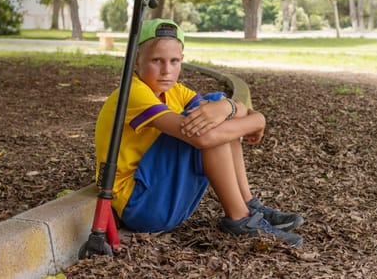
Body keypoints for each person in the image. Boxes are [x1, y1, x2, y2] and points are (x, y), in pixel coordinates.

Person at [95, 18, 304, 247]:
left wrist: (230, 107)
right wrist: (256, 119)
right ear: (135, 61)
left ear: (182, 61)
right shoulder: (133, 93)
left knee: (214, 106)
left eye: (174, 61)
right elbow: (204, 137)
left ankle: (248, 204)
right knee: (207, 127)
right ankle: (240, 219)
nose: (167, 71)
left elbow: (231, 110)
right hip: (141, 206)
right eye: (156, 61)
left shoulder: (175, 90)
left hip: (159, 195)